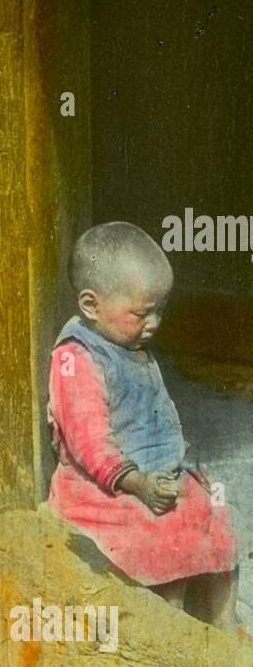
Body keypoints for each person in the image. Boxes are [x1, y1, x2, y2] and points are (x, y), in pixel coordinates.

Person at [47, 221, 239, 624]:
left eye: (160, 310)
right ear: (90, 305)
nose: (154, 323)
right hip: (104, 488)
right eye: (142, 312)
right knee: (159, 534)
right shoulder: (76, 359)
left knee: (213, 516)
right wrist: (137, 483)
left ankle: (222, 626)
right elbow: (90, 443)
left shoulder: (130, 341)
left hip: (157, 477)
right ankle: (168, 627)